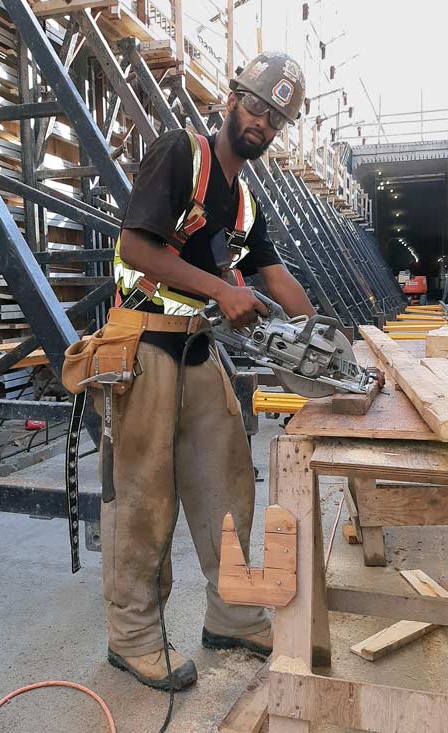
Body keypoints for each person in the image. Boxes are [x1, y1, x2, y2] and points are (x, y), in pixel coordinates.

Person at [101, 52, 316, 691]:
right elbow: (135, 248)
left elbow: (273, 273)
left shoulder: (244, 201)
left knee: (228, 485)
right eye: (256, 106)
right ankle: (133, 638)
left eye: (276, 119)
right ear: (231, 98)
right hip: (142, 347)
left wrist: (332, 342)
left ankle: (231, 615)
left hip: (196, 348)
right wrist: (221, 292)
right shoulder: (180, 153)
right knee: (144, 499)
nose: (262, 123)